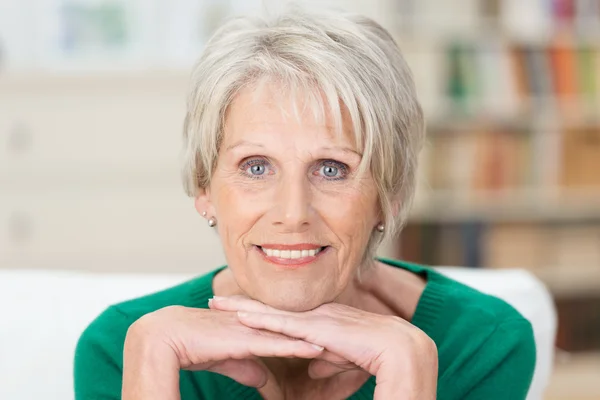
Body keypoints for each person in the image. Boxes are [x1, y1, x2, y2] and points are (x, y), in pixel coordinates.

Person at [74, 6, 536, 400]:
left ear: (389, 197)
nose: (293, 213)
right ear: (203, 188)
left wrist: (406, 373)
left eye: (332, 169)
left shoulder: (483, 343)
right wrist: (154, 369)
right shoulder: (123, 348)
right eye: (256, 167)